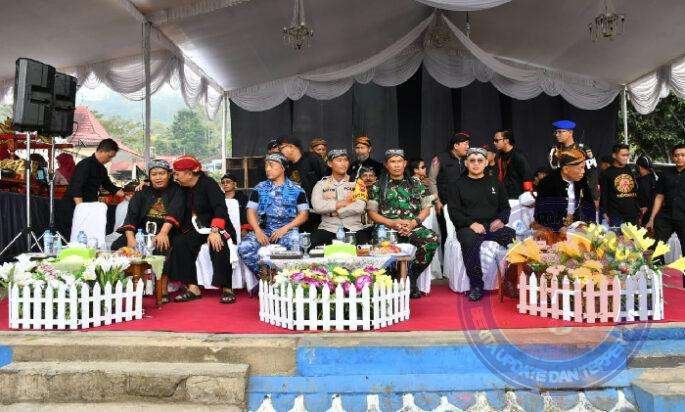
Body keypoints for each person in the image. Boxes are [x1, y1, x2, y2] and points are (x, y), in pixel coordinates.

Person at [367, 149, 439, 299]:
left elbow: (426, 208)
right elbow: (372, 213)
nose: (396, 165)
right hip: (386, 227)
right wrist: (392, 222)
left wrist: (414, 223)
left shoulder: (416, 183)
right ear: (386, 165)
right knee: (380, 248)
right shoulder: (377, 185)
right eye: (392, 162)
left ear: (405, 163)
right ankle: (390, 281)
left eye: (399, 161)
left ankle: (411, 277)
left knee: (431, 240)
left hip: (412, 225)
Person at [166, 156, 238, 304]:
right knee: (180, 242)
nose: (175, 177)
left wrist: (215, 231)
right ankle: (193, 288)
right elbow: (164, 186)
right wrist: (144, 184)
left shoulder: (209, 184)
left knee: (218, 243)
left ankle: (227, 288)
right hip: (197, 229)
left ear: (189, 173)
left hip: (218, 226)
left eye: (177, 173)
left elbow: (220, 209)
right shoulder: (182, 187)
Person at [447, 147, 515, 302]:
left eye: (480, 160)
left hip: (492, 226)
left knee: (512, 237)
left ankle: (510, 281)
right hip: (468, 227)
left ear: (486, 163)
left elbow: (505, 208)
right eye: (472, 160)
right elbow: (454, 212)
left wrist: (501, 220)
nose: (476, 164)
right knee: (469, 241)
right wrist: (471, 224)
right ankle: (476, 285)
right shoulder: (457, 185)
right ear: (466, 163)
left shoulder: (495, 183)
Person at [238, 153, 309, 274]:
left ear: (282, 167)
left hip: (287, 230)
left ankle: (285, 278)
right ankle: (265, 276)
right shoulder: (259, 188)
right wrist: (257, 230)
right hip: (264, 230)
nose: (267, 169)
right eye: (266, 166)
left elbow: (304, 215)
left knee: (295, 244)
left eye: (271, 165)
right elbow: (250, 211)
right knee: (244, 247)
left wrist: (286, 228)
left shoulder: (297, 189)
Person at [111, 160, 184, 272]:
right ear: (149, 176)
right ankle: (130, 276)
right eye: (154, 174)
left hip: (166, 231)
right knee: (118, 245)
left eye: (162, 173)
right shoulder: (141, 191)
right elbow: (131, 216)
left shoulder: (177, 190)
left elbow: (174, 212)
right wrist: (131, 238)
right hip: (142, 232)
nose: (158, 178)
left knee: (161, 249)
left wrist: (163, 233)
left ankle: (159, 280)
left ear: (169, 174)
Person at [57, 139, 125, 239]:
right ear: (101, 151)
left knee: (88, 234)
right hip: (74, 206)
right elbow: (76, 188)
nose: (109, 160)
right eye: (109, 156)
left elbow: (108, 185)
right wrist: (81, 209)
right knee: (73, 235)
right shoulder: (85, 165)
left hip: (90, 205)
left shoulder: (102, 169)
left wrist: (123, 194)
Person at [310, 149, 368, 247]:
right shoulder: (321, 184)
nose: (343, 163)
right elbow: (317, 207)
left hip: (354, 228)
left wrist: (335, 212)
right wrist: (339, 204)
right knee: (312, 248)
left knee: (364, 250)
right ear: (329, 163)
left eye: (346, 160)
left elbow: (359, 207)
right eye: (339, 160)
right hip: (328, 228)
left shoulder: (358, 183)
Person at [534, 148, 596, 232]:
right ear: (566, 169)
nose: (583, 171)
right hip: (553, 229)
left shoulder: (581, 180)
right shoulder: (547, 183)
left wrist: (591, 224)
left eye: (584, 168)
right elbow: (542, 212)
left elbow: (589, 204)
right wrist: (558, 227)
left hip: (576, 226)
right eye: (580, 168)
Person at [278, 136, 327, 232]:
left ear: (291, 147)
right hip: (299, 213)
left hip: (319, 212)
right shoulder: (287, 167)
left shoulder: (312, 158)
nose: (280, 152)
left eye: (281, 148)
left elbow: (326, 178)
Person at [645, 144, 685, 250]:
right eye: (676, 155)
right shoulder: (666, 173)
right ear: (672, 157)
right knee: (656, 246)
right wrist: (652, 219)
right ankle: (657, 261)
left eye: (683, 155)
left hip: (683, 217)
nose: (679, 158)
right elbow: (659, 196)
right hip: (666, 216)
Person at [548, 120, 599, 203]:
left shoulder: (583, 149)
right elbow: (554, 171)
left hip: (579, 191)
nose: (557, 135)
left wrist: (594, 195)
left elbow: (592, 172)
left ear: (570, 133)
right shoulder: (555, 150)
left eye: (560, 132)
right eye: (556, 132)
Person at [429, 131, 470, 215]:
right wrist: (437, 201)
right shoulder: (440, 159)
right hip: (444, 203)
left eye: (468, 144)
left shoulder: (467, 160)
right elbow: (431, 181)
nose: (468, 147)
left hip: (462, 205)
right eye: (465, 144)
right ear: (456, 146)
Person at [600, 144, 640, 227]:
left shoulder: (629, 169)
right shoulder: (607, 173)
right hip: (616, 215)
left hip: (632, 213)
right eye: (623, 155)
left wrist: (639, 207)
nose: (626, 158)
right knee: (616, 235)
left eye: (627, 155)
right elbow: (604, 194)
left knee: (633, 235)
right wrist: (604, 212)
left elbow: (635, 189)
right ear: (614, 155)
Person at [493, 130, 533, 199]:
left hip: (518, 196)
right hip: (505, 194)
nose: (494, 143)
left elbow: (527, 175)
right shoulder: (499, 156)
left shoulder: (518, 155)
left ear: (506, 141)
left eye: (496, 140)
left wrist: (528, 195)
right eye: (494, 140)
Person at [636, 155, 658, 226]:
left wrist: (641, 207)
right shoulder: (655, 178)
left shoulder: (640, 181)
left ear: (639, 167)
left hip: (644, 214)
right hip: (655, 213)